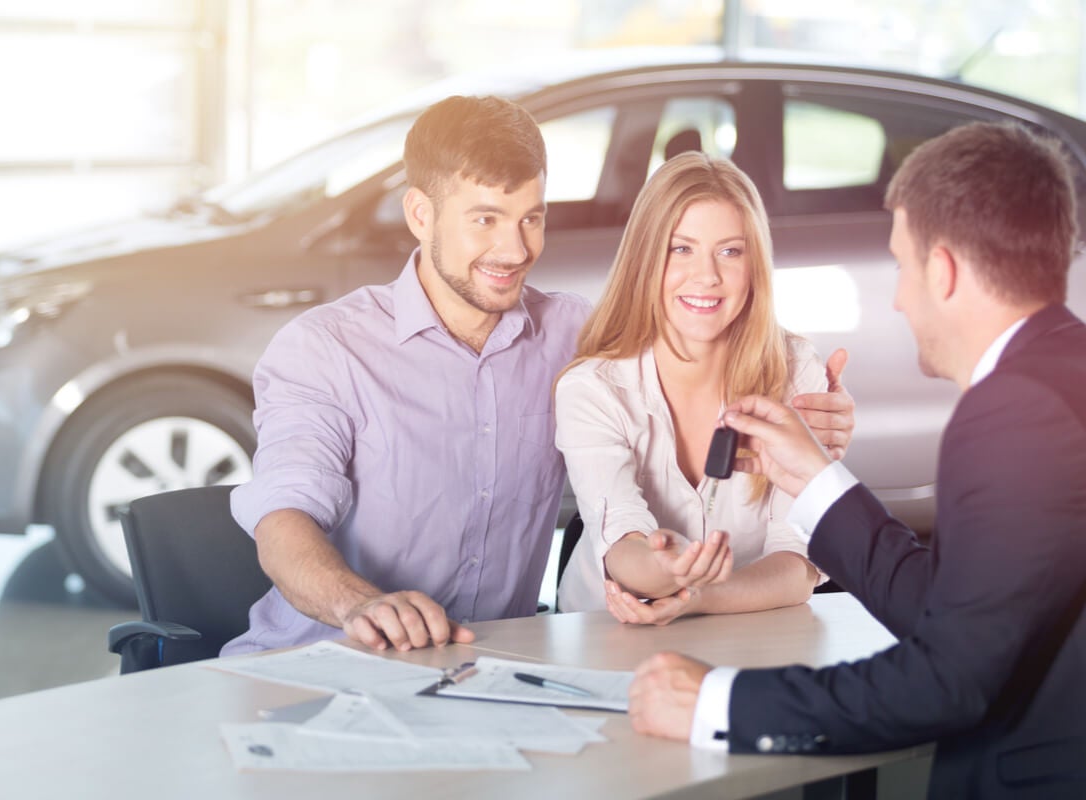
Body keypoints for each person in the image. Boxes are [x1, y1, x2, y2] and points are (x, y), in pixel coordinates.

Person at [222, 95, 856, 656]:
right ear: (420, 214)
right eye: (485, 219)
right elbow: (284, 517)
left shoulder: (578, 340)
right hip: (323, 659)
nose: (516, 249)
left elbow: (691, 340)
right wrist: (357, 604)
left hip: (491, 670)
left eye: (532, 217)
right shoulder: (327, 348)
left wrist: (823, 431)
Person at [627, 121, 1086, 799]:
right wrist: (814, 478)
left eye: (901, 265)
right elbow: (948, 608)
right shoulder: (1063, 371)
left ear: (944, 270)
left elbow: (947, 680)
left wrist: (717, 703)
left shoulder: (1015, 411)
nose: (899, 297)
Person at [555, 152, 834, 620]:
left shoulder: (796, 371)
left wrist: (695, 598)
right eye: (681, 249)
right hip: (609, 631)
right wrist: (664, 567)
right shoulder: (592, 389)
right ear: (646, 259)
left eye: (730, 251)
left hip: (747, 630)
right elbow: (622, 542)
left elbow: (799, 563)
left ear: (754, 266)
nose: (707, 276)